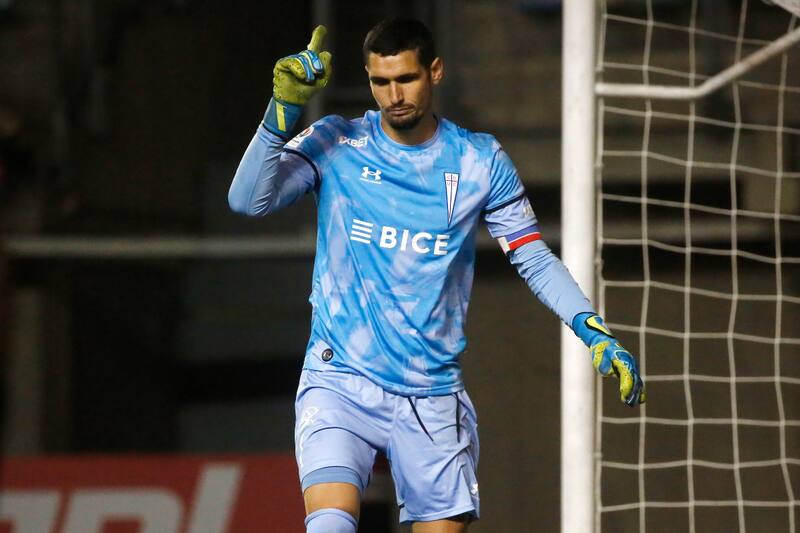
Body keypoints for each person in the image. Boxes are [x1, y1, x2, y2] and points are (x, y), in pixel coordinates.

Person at [229, 18, 645, 533]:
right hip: (340, 380)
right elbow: (247, 201)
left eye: (406, 79)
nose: (393, 95)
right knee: (329, 527)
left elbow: (533, 257)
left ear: (436, 72)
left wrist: (591, 327)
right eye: (381, 82)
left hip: (431, 394)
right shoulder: (337, 142)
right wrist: (282, 112)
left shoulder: (478, 161)